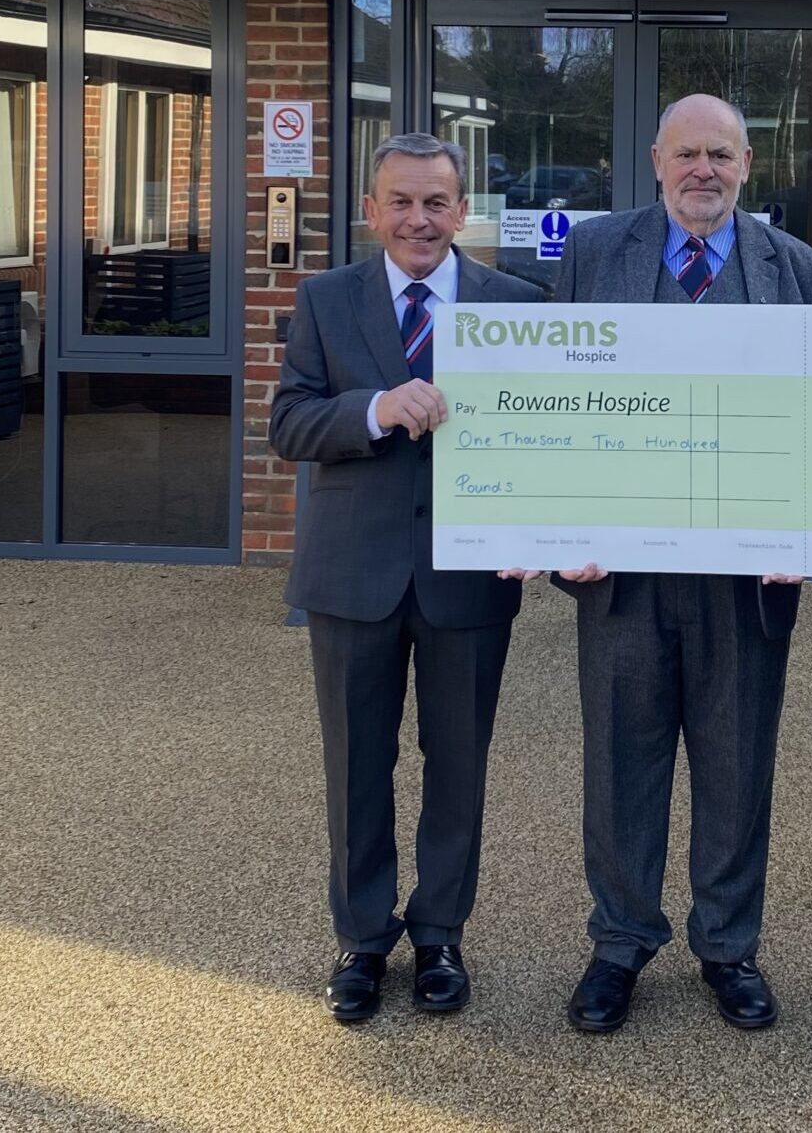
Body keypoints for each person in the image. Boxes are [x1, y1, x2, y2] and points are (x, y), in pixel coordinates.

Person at [547, 94, 812, 1034]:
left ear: (747, 164)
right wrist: (554, 535)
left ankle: (728, 946)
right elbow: (552, 396)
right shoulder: (595, 253)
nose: (702, 170)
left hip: (746, 582)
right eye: (686, 154)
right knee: (619, 764)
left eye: (720, 154)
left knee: (736, 767)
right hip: (622, 576)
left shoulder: (800, 271)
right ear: (656, 161)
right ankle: (620, 942)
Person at [269, 132, 543, 1023]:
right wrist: (376, 409)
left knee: (458, 764)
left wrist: (553, 525)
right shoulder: (326, 299)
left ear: (463, 212)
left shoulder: (516, 306)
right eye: (401, 202)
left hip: (469, 577)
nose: (418, 220)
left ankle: (439, 937)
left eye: (435, 203)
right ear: (371, 210)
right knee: (357, 763)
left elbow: (550, 436)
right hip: (353, 574)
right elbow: (289, 422)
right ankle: (361, 939)